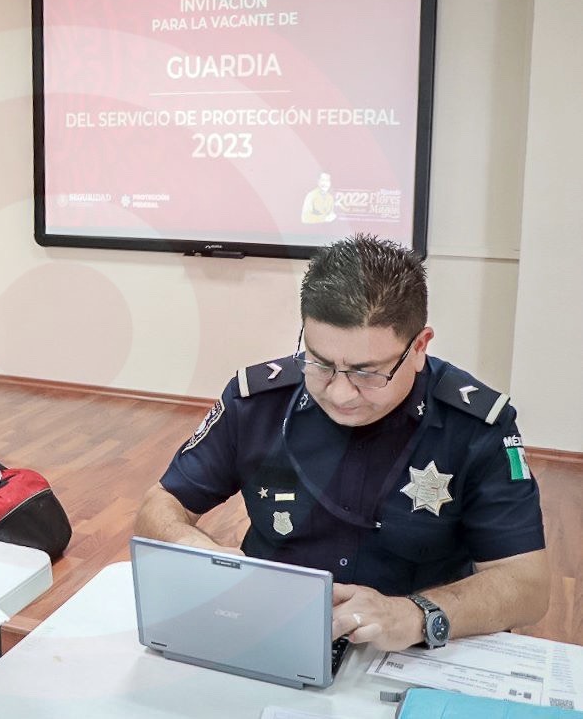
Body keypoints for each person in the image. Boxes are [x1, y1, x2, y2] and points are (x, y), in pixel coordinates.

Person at [135, 234, 549, 652]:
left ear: (419, 347)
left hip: (411, 649)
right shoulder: (257, 403)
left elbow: (527, 585)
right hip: (276, 633)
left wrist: (415, 613)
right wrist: (200, 552)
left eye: (367, 372)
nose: (339, 393)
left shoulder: (475, 426)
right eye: (320, 362)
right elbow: (161, 504)